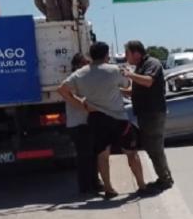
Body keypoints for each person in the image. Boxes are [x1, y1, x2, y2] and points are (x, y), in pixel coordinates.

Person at [58, 42, 147, 199]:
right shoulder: (114, 70)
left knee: (102, 155)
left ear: (91, 56)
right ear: (106, 55)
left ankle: (108, 189)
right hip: (119, 118)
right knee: (131, 153)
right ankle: (141, 185)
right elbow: (127, 84)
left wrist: (81, 105)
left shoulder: (80, 74)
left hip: (96, 119)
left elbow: (62, 90)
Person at [123, 40, 174, 191]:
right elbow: (134, 91)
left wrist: (129, 74)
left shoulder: (152, 63)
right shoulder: (140, 67)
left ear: (136, 53)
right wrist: (118, 90)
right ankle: (165, 177)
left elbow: (148, 82)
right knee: (152, 148)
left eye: (127, 53)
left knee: (155, 148)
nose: (126, 57)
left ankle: (165, 180)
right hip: (145, 114)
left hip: (153, 113)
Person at [62, 53, 101, 196]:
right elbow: (68, 94)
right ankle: (86, 186)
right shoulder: (74, 79)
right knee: (85, 156)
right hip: (78, 124)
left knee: (92, 155)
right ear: (78, 65)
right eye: (86, 62)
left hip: (86, 122)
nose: (88, 65)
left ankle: (94, 183)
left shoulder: (84, 78)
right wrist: (85, 105)